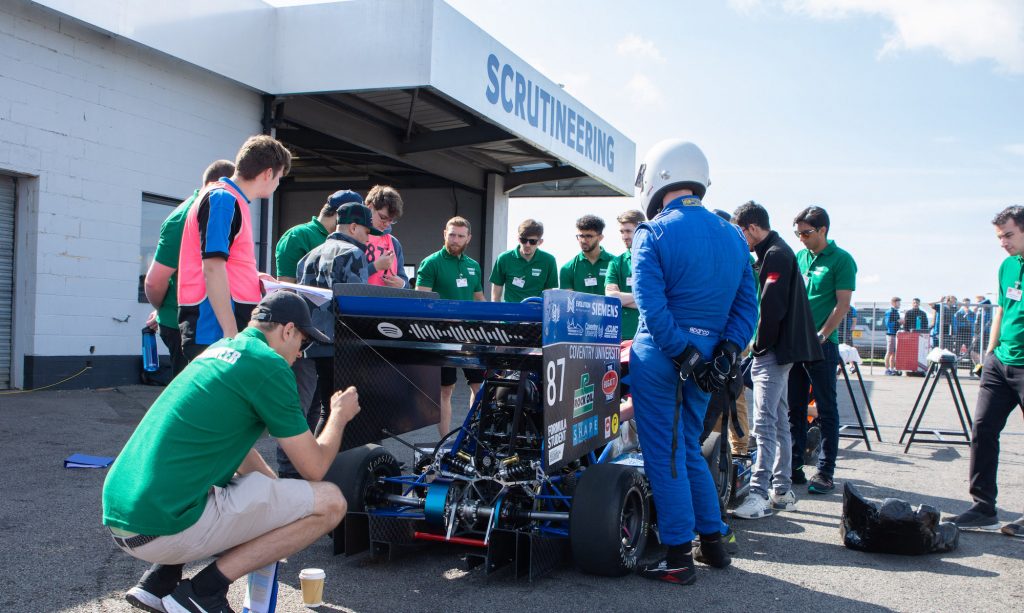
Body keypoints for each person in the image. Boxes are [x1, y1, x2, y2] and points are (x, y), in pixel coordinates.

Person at [102, 291, 359, 613]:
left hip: (124, 516)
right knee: (330, 502)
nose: (299, 354)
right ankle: (203, 592)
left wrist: (279, 500)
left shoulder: (218, 350)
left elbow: (236, 452)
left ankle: (159, 581)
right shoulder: (269, 365)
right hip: (159, 530)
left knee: (237, 481)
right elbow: (314, 468)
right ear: (288, 330)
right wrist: (338, 415)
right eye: (303, 344)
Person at [629, 140, 756, 584]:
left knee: (664, 454)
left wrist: (684, 354)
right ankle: (714, 542)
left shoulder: (652, 233)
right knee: (686, 447)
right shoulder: (733, 236)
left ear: (657, 177)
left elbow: (651, 305)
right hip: (711, 359)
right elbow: (747, 307)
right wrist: (724, 354)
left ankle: (678, 556)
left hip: (662, 356)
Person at [729, 202, 822, 520]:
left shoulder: (776, 255)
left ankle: (758, 493)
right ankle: (781, 490)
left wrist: (758, 347)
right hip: (781, 351)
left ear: (752, 228)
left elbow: (771, 310)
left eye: (741, 233)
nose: (740, 240)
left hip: (774, 351)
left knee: (764, 422)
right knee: (780, 420)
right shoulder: (775, 252)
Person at [178, 135, 292, 361]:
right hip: (213, 329)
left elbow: (223, 262)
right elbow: (212, 266)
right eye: (279, 177)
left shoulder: (229, 199)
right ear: (268, 173)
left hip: (217, 327)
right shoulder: (223, 200)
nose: (278, 184)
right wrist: (231, 333)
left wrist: (253, 277)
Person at [948, 206, 1024, 534]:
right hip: (1000, 362)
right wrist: (990, 353)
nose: (1003, 242)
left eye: (1008, 235)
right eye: (999, 237)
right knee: (982, 428)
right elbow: (1001, 311)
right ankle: (983, 507)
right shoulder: (1007, 266)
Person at [787, 205, 857, 495]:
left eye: (806, 233)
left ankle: (825, 471)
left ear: (823, 230)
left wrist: (822, 335)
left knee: (827, 410)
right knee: (795, 408)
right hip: (796, 345)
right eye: (798, 234)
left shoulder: (842, 260)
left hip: (822, 347)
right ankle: (794, 465)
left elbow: (843, 304)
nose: (801, 238)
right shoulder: (800, 258)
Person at [144, 159, 235, 378]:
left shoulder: (218, 213)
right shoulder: (184, 218)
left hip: (207, 322)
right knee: (193, 390)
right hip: (186, 326)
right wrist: (164, 309)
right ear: (221, 185)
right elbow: (154, 282)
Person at [416, 217, 485, 437]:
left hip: (471, 335)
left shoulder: (473, 266)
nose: (455, 240)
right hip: (442, 335)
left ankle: (472, 437)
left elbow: (479, 299)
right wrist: (444, 319)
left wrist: (492, 325)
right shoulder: (431, 263)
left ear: (468, 238)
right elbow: (421, 301)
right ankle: (445, 441)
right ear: (444, 233)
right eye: (452, 234)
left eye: (460, 236)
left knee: (479, 388)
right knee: (446, 390)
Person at [274, 189, 363, 283]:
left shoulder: (345, 241)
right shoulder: (297, 236)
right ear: (340, 214)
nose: (358, 225)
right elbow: (286, 287)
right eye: (356, 219)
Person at [490, 219, 558, 302]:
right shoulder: (504, 259)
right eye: (524, 240)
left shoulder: (549, 261)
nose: (527, 245)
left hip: (536, 309)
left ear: (540, 242)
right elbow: (495, 297)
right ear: (518, 239)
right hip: (511, 309)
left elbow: (548, 295)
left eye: (532, 241)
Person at [605, 210, 645, 341]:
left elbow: (664, 297)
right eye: (622, 232)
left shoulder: (656, 259)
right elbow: (612, 297)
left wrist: (625, 300)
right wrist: (646, 299)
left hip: (649, 333)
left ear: (641, 229)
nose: (624, 236)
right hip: (623, 335)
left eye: (628, 231)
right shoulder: (616, 263)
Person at [364, 185, 408, 288]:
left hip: (386, 298)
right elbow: (346, 276)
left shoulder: (394, 243)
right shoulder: (355, 236)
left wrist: (402, 284)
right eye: (383, 218)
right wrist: (375, 267)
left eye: (391, 220)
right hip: (357, 297)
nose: (387, 224)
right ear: (370, 208)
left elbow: (404, 280)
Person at [559, 214, 613, 296]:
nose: (583, 240)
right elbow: (567, 300)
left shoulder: (616, 263)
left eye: (589, 236)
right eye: (581, 236)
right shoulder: (567, 268)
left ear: (600, 237)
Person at [884, 297, 903, 375]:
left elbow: (897, 323)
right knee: (889, 352)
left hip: (896, 334)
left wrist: (900, 322)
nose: (899, 304)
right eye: (898, 303)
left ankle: (892, 369)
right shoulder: (890, 312)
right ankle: (887, 370)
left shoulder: (896, 312)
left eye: (899, 303)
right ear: (893, 303)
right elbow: (888, 324)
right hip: (891, 334)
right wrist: (898, 322)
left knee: (894, 353)